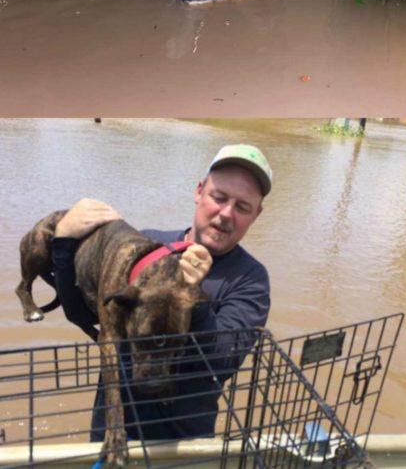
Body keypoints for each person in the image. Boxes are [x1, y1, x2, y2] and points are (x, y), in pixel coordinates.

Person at [51, 144, 272, 441]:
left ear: (256, 214)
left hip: (182, 442)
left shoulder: (250, 280)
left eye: (242, 206)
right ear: (199, 192)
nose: (226, 214)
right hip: (112, 433)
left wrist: (193, 299)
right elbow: (80, 312)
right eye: (218, 197)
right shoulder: (146, 247)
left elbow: (221, 363)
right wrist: (63, 242)